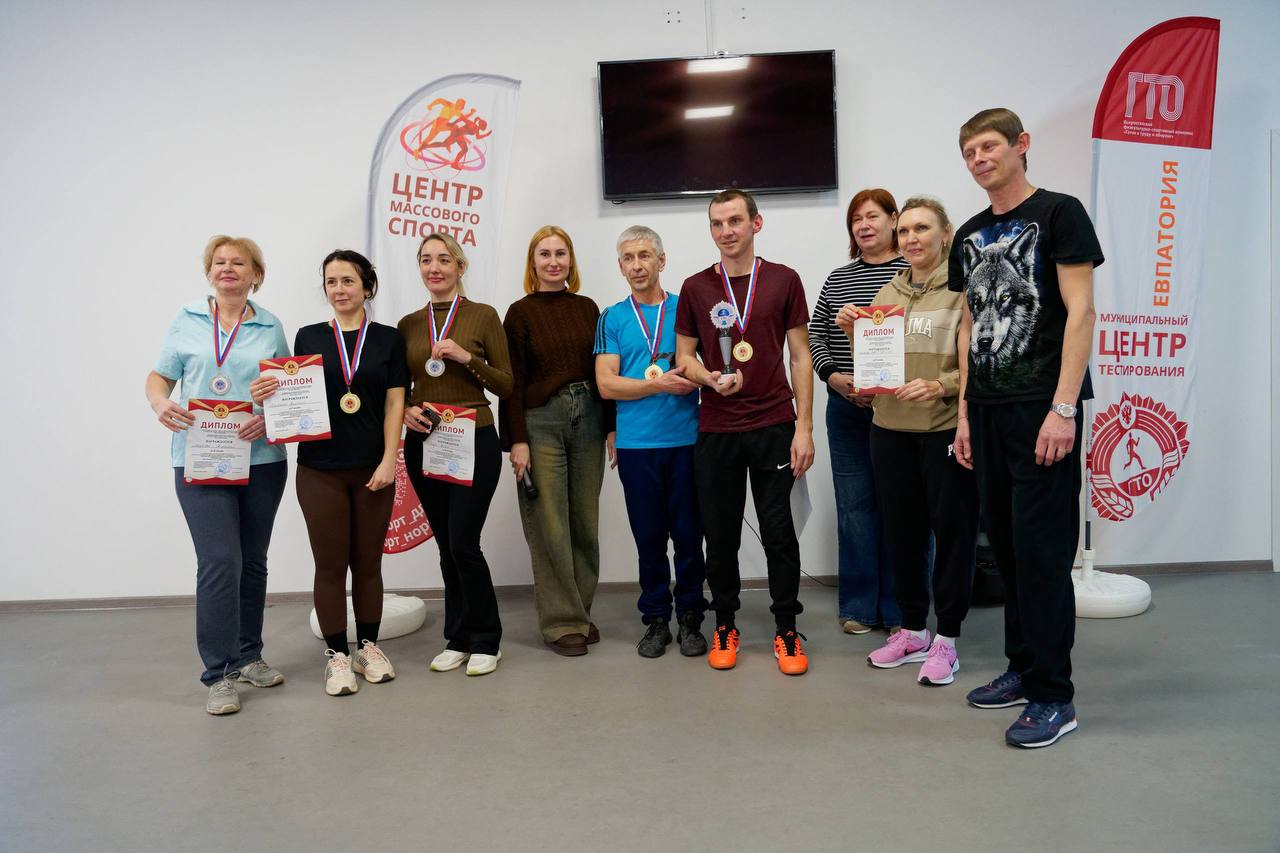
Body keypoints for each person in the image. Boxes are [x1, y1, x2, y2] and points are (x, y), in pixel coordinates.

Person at [949, 108, 1103, 748]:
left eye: (989, 146)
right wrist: (963, 414)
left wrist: (1064, 408)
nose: (979, 159)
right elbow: (968, 326)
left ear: (1021, 145)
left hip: (1042, 407)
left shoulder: (1060, 213)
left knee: (1042, 556)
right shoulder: (969, 234)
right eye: (969, 152)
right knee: (1007, 553)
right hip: (986, 411)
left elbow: (1080, 311)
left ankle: (1054, 696)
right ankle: (1021, 667)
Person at [837, 197, 979, 685]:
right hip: (889, 431)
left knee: (953, 536)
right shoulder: (888, 292)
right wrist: (854, 332)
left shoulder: (963, 289)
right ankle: (913, 630)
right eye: (905, 231)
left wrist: (942, 385)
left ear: (946, 233)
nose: (912, 238)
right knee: (903, 536)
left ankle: (948, 640)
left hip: (943, 431)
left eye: (923, 228)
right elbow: (878, 365)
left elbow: (978, 362)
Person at [145, 235, 289, 715]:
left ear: (255, 275)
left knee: (253, 561)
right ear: (209, 272)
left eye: (238, 263)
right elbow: (160, 376)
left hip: (262, 459)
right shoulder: (187, 320)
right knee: (219, 560)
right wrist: (160, 402)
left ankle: (249, 656)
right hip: (200, 459)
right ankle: (219, 673)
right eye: (219, 262)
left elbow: (289, 388)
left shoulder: (270, 326)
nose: (227, 268)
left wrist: (269, 418)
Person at [252, 250, 406, 696]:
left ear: (367, 287)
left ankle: (368, 648)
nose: (339, 290)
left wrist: (389, 460)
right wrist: (266, 394)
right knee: (330, 565)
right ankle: (337, 655)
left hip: (373, 470)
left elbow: (395, 402)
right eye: (331, 282)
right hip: (320, 469)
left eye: (348, 281)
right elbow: (292, 395)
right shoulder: (310, 336)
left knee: (368, 563)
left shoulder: (389, 339)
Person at [675, 189, 816, 676]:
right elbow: (683, 358)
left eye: (735, 220)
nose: (726, 231)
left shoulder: (784, 280)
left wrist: (804, 427)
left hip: (774, 423)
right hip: (717, 427)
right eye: (717, 223)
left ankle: (786, 629)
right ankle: (725, 624)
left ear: (757, 223)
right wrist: (709, 378)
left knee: (779, 532)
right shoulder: (695, 287)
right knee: (720, 535)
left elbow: (800, 356)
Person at [401, 232, 513, 676]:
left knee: (464, 542)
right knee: (447, 546)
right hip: (425, 440)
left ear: (460, 267)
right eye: (426, 260)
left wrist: (468, 358)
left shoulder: (483, 316)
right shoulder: (409, 324)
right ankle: (458, 638)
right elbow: (401, 388)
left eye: (444, 260)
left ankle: (487, 639)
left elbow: (506, 384)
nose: (435, 268)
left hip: (474, 437)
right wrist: (406, 409)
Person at [500, 226, 615, 657]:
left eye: (560, 254)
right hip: (541, 421)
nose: (553, 261)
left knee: (585, 520)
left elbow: (605, 369)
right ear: (533, 263)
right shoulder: (519, 313)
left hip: (589, 416)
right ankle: (561, 622)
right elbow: (512, 382)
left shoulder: (588, 308)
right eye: (544, 254)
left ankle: (579, 612)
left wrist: (611, 426)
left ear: (571, 261)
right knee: (550, 522)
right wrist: (517, 440)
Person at [595, 225, 708, 658]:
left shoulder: (687, 308)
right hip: (637, 447)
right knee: (649, 539)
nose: (637, 265)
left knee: (689, 536)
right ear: (620, 266)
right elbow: (606, 384)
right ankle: (657, 620)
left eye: (645, 256)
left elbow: (705, 366)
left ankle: (692, 617)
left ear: (662, 260)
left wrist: (699, 379)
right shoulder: (612, 317)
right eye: (629, 258)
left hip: (687, 441)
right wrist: (658, 386)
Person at [808, 188, 909, 635]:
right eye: (856, 220)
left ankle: (901, 609)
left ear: (893, 219)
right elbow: (815, 335)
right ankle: (859, 607)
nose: (864, 226)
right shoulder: (839, 278)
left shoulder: (914, 273)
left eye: (872, 216)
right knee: (854, 507)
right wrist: (833, 377)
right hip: (846, 407)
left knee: (902, 508)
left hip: (902, 410)